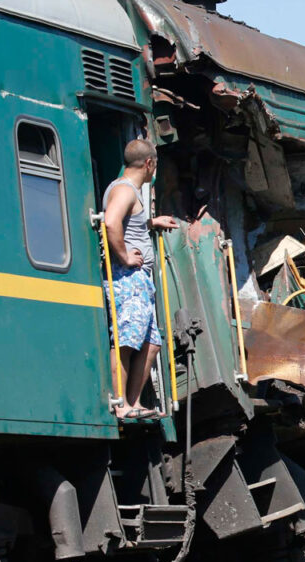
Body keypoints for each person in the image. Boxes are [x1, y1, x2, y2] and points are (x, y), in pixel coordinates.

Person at [102, 139, 178, 419]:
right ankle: (120, 404)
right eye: (154, 166)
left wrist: (152, 223)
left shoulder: (130, 191)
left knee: (151, 343)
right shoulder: (124, 189)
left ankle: (132, 403)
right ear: (149, 164)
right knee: (126, 342)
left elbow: (127, 223)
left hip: (139, 279)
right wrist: (124, 257)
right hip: (128, 278)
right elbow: (111, 222)